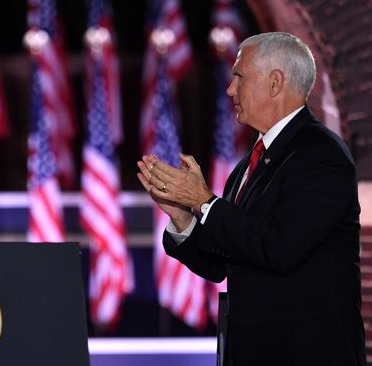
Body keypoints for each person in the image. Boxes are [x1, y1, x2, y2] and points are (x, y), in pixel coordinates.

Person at [138, 32, 365, 365]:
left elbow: (279, 248)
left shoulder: (321, 156)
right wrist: (183, 217)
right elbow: (222, 262)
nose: (230, 89)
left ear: (275, 83)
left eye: (239, 77)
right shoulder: (251, 163)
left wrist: (204, 202)